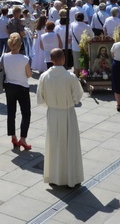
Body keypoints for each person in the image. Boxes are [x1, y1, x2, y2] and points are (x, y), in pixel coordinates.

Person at [37, 48, 84, 187]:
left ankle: (54, 176)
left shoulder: (44, 76)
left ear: (51, 60)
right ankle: (71, 178)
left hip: (53, 113)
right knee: (70, 145)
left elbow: (40, 99)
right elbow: (77, 97)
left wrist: (52, 105)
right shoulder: (70, 77)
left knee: (54, 144)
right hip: (67, 113)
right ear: (63, 58)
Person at [2, 33, 33, 150]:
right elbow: (29, 74)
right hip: (22, 87)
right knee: (26, 114)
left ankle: (13, 136)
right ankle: (23, 139)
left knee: (11, 113)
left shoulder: (4, 56)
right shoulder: (24, 59)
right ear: (20, 45)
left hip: (9, 86)